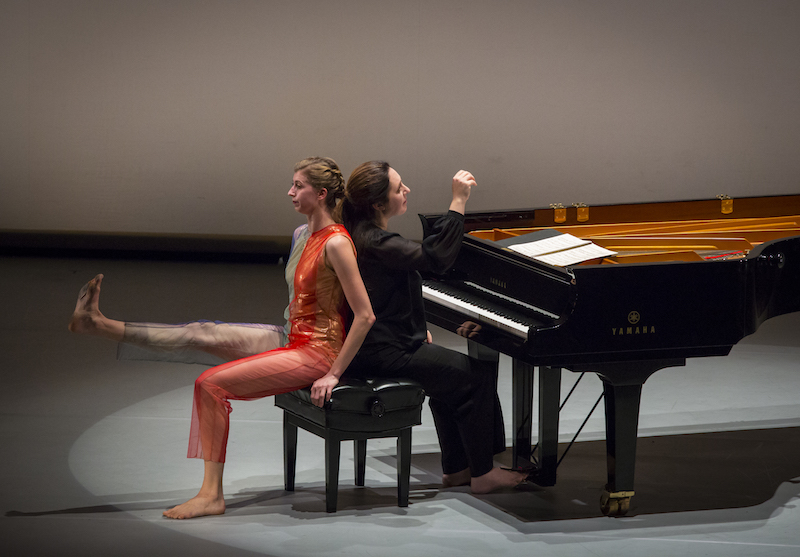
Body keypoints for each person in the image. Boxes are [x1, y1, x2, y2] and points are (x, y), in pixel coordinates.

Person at [69, 157, 375, 519]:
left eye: (298, 186)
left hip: (318, 351)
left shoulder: (337, 243)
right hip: (291, 337)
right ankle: (99, 325)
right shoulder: (301, 234)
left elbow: (365, 315)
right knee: (201, 332)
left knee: (210, 384)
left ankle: (211, 495)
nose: (290, 192)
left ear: (321, 194)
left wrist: (334, 374)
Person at [338, 161, 527, 494]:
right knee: (477, 377)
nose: (406, 190)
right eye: (399, 188)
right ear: (379, 204)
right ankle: (482, 473)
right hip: (385, 354)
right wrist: (458, 202)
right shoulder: (376, 242)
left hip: (384, 345)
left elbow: (387, 296)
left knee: (450, 378)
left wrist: (415, 328)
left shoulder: (362, 235)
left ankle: (457, 469)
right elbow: (436, 257)